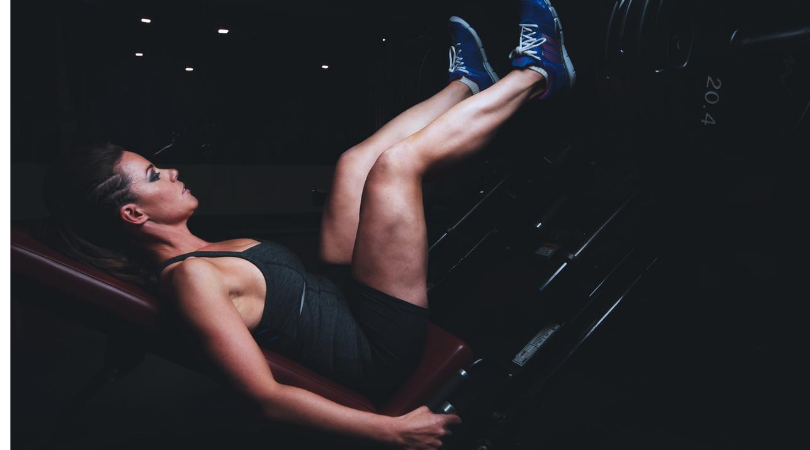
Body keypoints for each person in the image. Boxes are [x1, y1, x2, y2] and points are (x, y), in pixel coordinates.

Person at [42, 1, 575, 448]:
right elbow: (265, 400)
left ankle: (466, 84)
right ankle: (538, 74)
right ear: (133, 214)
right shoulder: (190, 280)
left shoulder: (196, 254)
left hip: (340, 297)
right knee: (397, 168)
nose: (173, 171)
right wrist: (391, 433)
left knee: (353, 165)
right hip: (375, 347)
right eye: (155, 174)